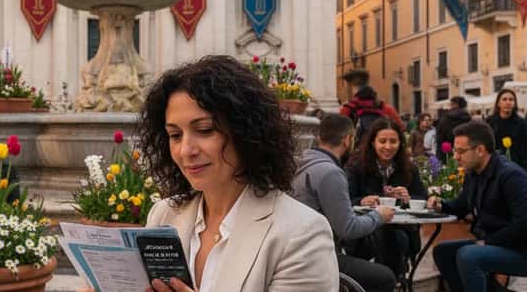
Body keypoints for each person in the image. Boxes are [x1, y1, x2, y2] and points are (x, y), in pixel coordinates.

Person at [138, 55, 338, 291]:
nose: (185, 150)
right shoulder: (163, 215)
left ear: (246, 132)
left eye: (204, 130)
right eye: (175, 135)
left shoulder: (300, 233)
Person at [293, 113, 397, 292]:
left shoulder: (303, 163)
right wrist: (379, 216)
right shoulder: (330, 172)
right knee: (385, 277)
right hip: (315, 257)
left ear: (319, 138)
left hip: (297, 251)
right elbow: (348, 229)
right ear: (348, 140)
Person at [428, 121, 527, 292]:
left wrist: (488, 242)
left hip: (520, 248)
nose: (455, 157)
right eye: (454, 151)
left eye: (460, 151)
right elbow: (461, 205)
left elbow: (524, 222)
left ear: (480, 150)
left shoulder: (511, 175)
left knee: (468, 255)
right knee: (442, 252)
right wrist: (440, 205)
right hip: (498, 243)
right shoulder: (473, 172)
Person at [346, 118, 427, 280]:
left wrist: (408, 198)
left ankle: (388, 280)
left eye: (393, 141)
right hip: (365, 229)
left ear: (400, 143)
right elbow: (346, 199)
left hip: (401, 228)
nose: (388, 147)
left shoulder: (408, 168)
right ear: (373, 142)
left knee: (396, 238)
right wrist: (361, 201)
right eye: (382, 141)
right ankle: (390, 280)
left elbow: (423, 198)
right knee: (385, 237)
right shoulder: (356, 167)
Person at [486, 88, 527, 169]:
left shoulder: (522, 124)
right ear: (498, 103)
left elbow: (525, 149)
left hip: (515, 166)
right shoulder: (490, 122)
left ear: (515, 104)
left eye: (511, 99)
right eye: (504, 99)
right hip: (494, 166)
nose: (508, 102)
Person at [436, 96, 472, 161]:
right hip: (464, 152)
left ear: (455, 104)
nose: (449, 106)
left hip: (446, 153)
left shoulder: (445, 118)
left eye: (451, 104)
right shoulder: (469, 119)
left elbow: (439, 138)